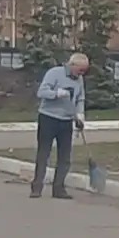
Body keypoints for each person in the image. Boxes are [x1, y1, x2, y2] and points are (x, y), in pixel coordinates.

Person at [31, 51, 90, 199]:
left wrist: (80, 114)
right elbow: (41, 92)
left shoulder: (79, 79)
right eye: (80, 70)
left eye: (84, 71)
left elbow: (80, 98)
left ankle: (59, 188)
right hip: (48, 118)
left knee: (65, 156)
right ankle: (37, 187)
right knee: (44, 153)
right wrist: (56, 94)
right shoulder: (55, 73)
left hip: (66, 121)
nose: (82, 73)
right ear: (72, 65)